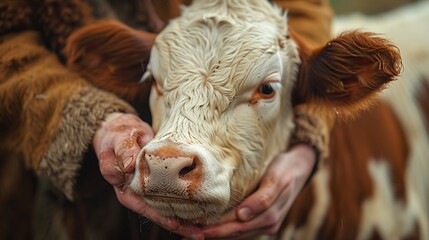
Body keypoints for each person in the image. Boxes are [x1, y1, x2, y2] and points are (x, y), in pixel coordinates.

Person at [0, 0, 332, 239]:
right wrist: (92, 120)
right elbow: (8, 38)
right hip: (46, 166)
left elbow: (302, 10)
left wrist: (304, 136)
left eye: (266, 88)